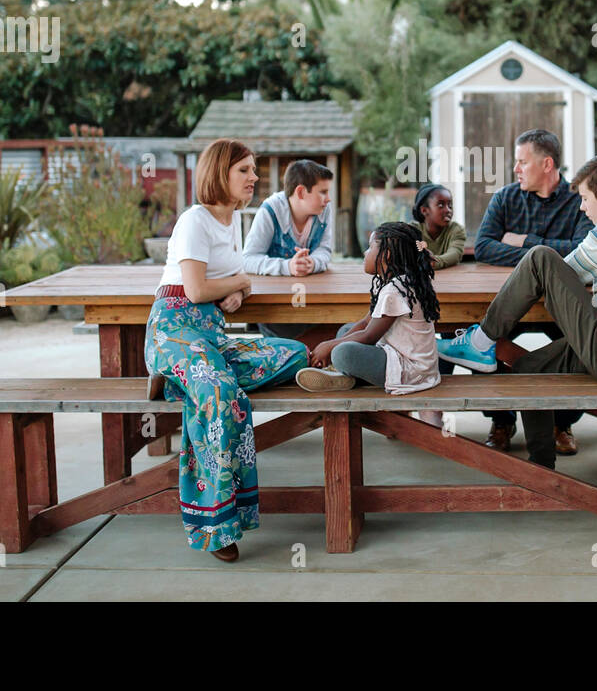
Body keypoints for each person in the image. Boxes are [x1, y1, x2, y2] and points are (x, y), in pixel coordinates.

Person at [437, 154, 597, 468]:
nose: (582, 207)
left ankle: (480, 341)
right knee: (527, 369)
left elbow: (554, 275)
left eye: (584, 199)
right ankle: (542, 469)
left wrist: (529, 253)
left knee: (540, 258)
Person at [144, 138, 309, 563]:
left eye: (254, 170)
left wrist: (237, 291)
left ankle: (181, 383)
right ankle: (214, 524)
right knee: (222, 398)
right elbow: (196, 288)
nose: (255, 178)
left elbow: (232, 278)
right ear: (220, 173)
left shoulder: (232, 220)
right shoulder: (194, 220)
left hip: (212, 333)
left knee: (293, 353)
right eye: (245, 170)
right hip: (176, 329)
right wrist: (237, 285)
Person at [471, 129, 593, 458]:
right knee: (483, 341)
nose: (516, 169)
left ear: (547, 164)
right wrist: (540, 262)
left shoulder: (579, 200)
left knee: (582, 345)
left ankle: (561, 422)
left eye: (522, 162)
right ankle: (502, 420)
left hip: (560, 305)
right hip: (512, 303)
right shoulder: (506, 197)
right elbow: (483, 248)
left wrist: (524, 241)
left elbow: (582, 251)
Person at [295, 222, 441, 397]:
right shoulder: (398, 282)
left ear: (386, 255)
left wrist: (329, 346)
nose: (365, 253)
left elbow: (369, 336)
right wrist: (334, 344)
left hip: (410, 372)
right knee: (347, 330)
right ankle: (342, 374)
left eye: (370, 247)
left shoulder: (396, 291)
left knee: (343, 352)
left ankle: (343, 372)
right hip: (400, 355)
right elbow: (366, 322)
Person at [244, 158, 334, 340]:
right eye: (323, 192)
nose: (328, 199)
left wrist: (313, 263)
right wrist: (288, 267)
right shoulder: (270, 211)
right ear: (300, 192)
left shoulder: (324, 210)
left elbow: (325, 250)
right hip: (275, 309)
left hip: (313, 300)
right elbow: (248, 260)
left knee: (337, 323)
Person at [412, 182, 466, 269]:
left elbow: (455, 254)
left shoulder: (456, 230)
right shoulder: (412, 230)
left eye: (450, 205)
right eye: (441, 205)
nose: (448, 210)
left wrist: (434, 262)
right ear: (424, 210)